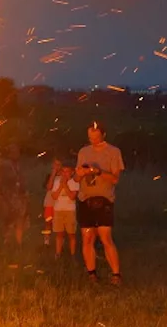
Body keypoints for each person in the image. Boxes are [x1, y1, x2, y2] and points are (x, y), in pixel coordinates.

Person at [76, 121, 125, 284]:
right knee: (87, 238)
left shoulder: (113, 152)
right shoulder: (83, 151)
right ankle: (91, 273)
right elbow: (76, 177)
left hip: (104, 200)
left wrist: (97, 172)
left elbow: (115, 179)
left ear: (103, 135)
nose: (93, 141)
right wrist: (80, 174)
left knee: (105, 237)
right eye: (90, 138)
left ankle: (116, 275)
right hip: (85, 199)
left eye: (96, 138)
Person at [0, 144, 29, 249]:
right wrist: (1, 196)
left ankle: (18, 244)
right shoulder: (4, 165)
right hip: (8, 196)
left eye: (17, 151)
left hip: (19, 196)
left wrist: (25, 194)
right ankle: (7, 243)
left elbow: (22, 180)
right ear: (9, 153)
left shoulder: (19, 165)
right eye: (13, 151)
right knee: (8, 220)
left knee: (19, 220)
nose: (16, 153)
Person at [50, 163, 79, 258]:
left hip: (70, 211)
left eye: (67, 172)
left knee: (71, 234)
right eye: (63, 171)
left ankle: (73, 254)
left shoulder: (74, 182)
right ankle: (58, 253)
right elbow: (54, 196)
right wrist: (60, 186)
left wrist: (65, 185)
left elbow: (72, 197)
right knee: (59, 233)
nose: (65, 174)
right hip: (58, 210)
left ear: (72, 172)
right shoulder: (57, 181)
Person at [41, 157, 61, 245]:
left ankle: (59, 243)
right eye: (54, 164)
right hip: (49, 203)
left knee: (59, 224)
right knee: (48, 222)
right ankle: (46, 241)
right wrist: (53, 174)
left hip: (60, 204)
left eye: (58, 165)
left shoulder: (65, 176)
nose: (56, 167)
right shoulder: (49, 176)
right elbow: (49, 187)